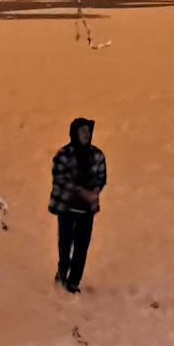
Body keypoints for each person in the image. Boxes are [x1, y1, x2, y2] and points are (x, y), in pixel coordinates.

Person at [49, 117, 107, 294]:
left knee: (82, 246)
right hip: (66, 207)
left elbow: (101, 177)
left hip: (86, 209)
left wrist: (95, 192)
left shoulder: (97, 155)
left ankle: (74, 281)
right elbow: (60, 179)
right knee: (65, 244)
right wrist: (82, 192)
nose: (87, 134)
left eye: (88, 131)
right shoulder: (63, 155)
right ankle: (62, 272)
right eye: (83, 131)